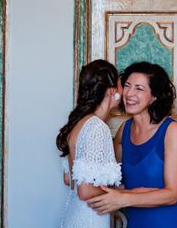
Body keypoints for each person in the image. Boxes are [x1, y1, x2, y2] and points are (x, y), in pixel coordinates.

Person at [87, 62, 177, 227]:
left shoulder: (171, 130)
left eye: (139, 88)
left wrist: (123, 198)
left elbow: (172, 194)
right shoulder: (124, 130)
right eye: (127, 86)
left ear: (154, 96)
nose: (129, 93)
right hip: (138, 221)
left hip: (173, 221)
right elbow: (118, 181)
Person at [56, 59, 123, 228]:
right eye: (122, 84)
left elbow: (68, 179)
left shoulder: (78, 124)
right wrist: (122, 193)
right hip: (90, 218)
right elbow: (85, 191)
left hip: (73, 214)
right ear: (112, 90)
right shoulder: (97, 128)